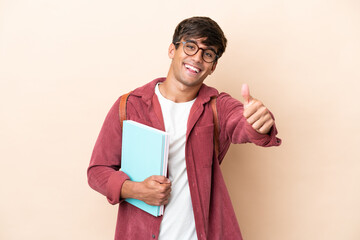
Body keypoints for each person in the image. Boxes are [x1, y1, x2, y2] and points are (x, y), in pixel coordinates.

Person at [87, 16, 281, 240]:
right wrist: (136, 190)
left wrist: (258, 123)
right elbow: (97, 171)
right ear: (172, 49)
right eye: (190, 47)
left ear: (213, 66)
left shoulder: (218, 106)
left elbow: (242, 124)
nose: (197, 58)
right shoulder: (129, 105)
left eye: (207, 53)